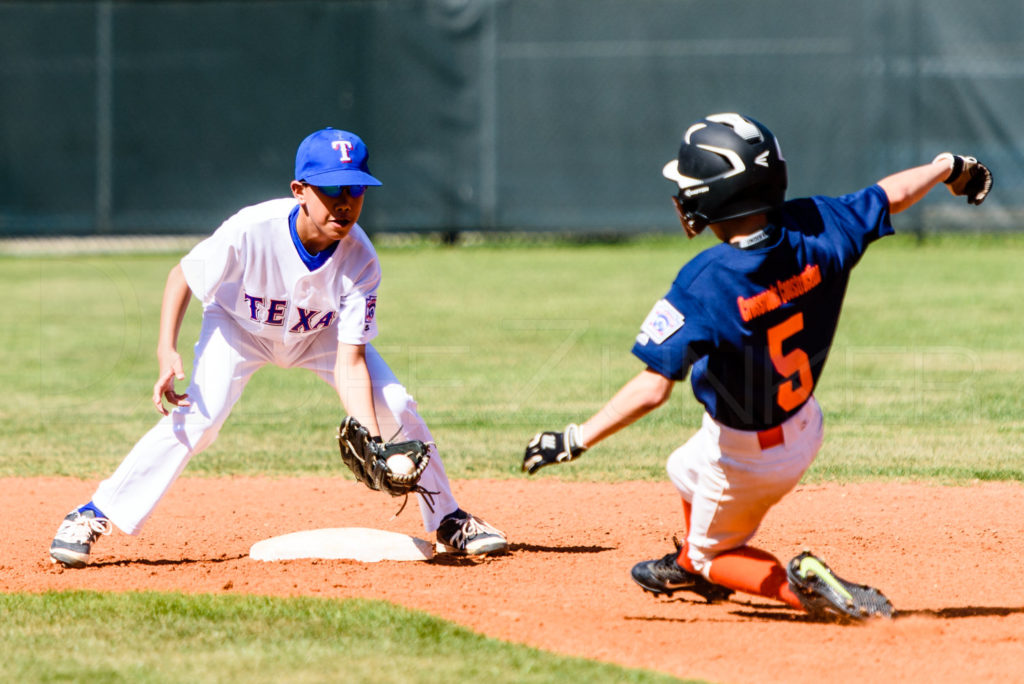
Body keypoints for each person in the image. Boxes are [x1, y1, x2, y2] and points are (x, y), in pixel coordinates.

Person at [523, 113, 991, 621]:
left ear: (715, 196)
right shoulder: (819, 226)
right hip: (802, 424)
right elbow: (890, 194)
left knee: (716, 553)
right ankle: (692, 563)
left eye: (689, 187)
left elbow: (653, 388)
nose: (682, 196)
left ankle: (802, 588)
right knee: (682, 468)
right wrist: (947, 167)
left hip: (746, 455)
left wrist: (575, 438)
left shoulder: (707, 279)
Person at [49, 127, 507, 568]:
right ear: (299, 190)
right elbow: (182, 276)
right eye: (332, 191)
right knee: (201, 420)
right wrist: (165, 351)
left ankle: (448, 518)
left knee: (395, 403)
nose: (345, 204)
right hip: (237, 327)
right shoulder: (252, 229)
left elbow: (350, 358)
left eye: (356, 191)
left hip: (318, 334)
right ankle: (93, 513)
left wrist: (371, 434)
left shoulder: (362, 259)